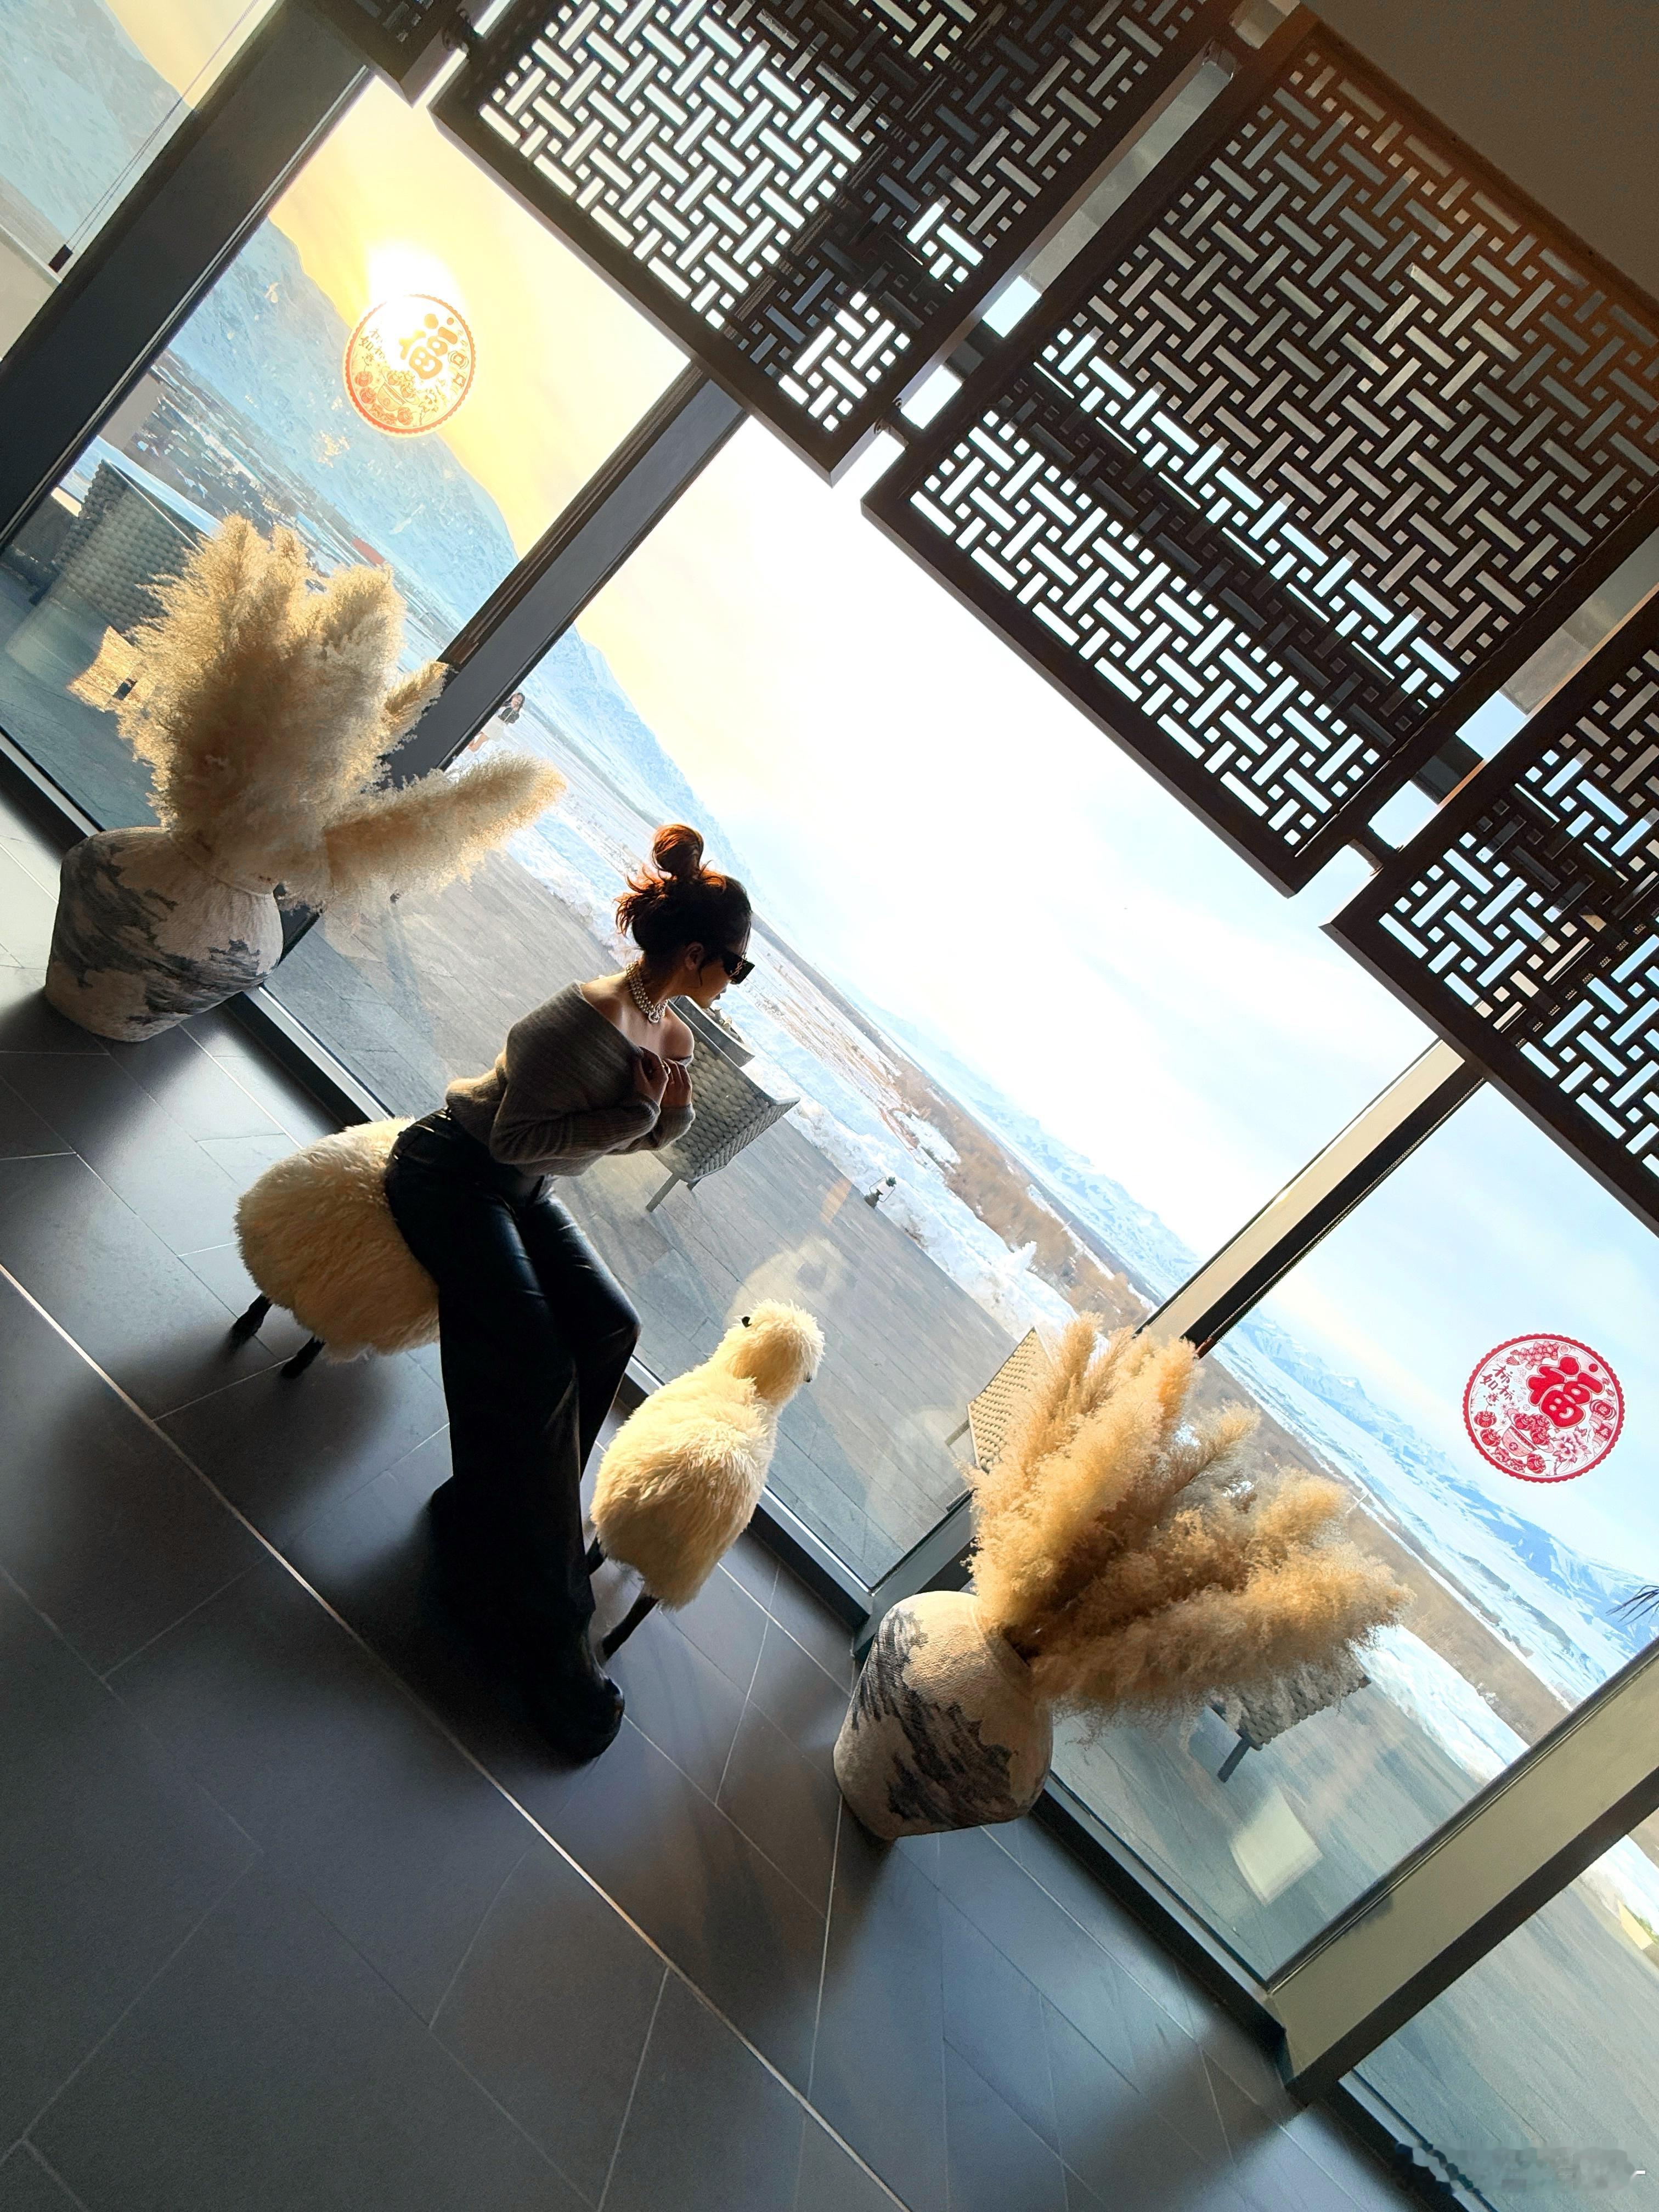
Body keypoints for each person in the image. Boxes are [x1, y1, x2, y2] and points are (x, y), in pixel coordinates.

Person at [383, 823, 755, 1759]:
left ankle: (505, 1523)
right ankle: (554, 1627)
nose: (735, 984)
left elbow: (636, 1135)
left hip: (521, 1194)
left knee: (609, 1328)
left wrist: (663, 1116)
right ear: (699, 954)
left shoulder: (669, 1032)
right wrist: (636, 1113)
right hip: (452, 1171)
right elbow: (514, 1137)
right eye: (738, 967)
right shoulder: (582, 1018)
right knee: (542, 1362)